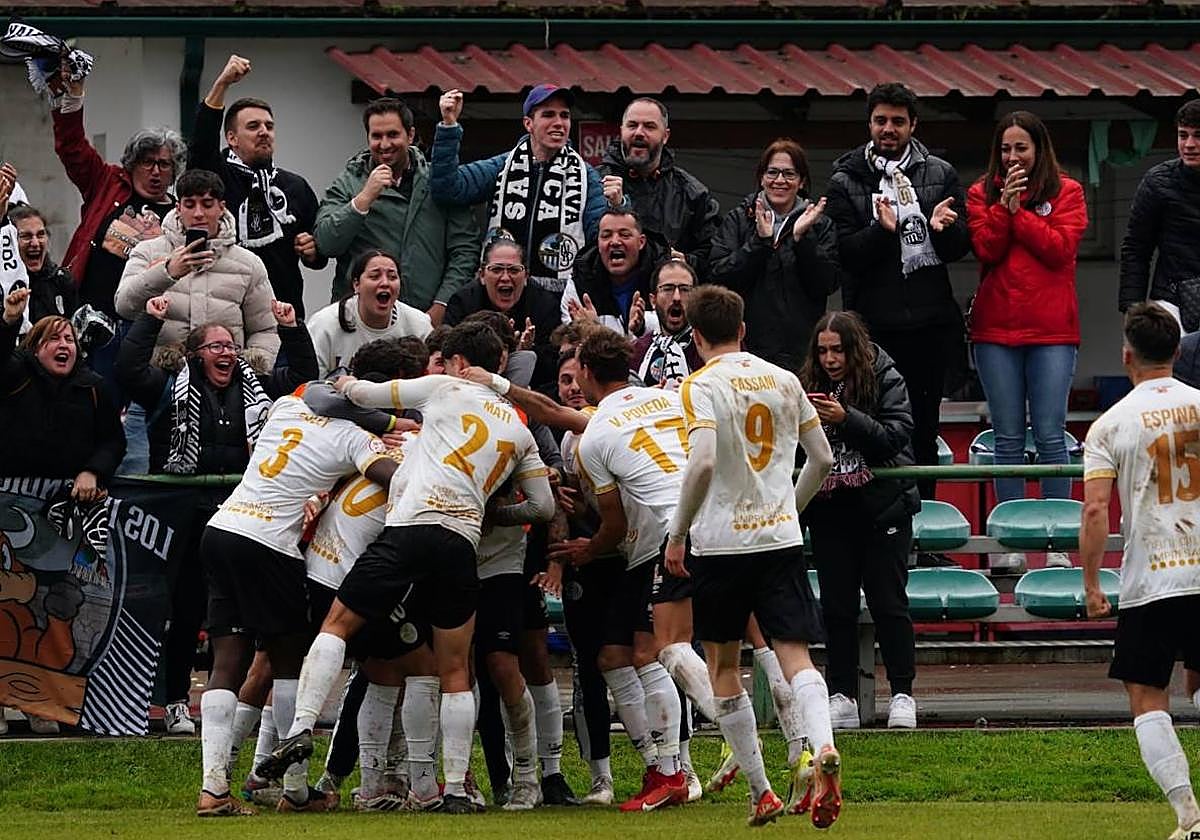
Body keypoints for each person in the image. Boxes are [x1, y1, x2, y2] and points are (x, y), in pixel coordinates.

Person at [262, 322, 555, 815]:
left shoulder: (444, 388)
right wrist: (491, 512)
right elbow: (543, 507)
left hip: (408, 529)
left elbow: (364, 394)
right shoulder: (519, 429)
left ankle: (302, 728)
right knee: (454, 670)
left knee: (336, 626)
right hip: (461, 541)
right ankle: (454, 788)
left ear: (459, 363)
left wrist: (345, 384)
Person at [470, 329, 718, 811]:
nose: (570, 385)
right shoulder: (664, 398)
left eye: (574, 373)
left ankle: (683, 765)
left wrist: (587, 549)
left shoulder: (598, 429)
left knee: (654, 654)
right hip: (669, 539)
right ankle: (659, 765)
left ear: (586, 372)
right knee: (612, 657)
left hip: (664, 540)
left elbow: (613, 520)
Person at [664, 284, 838, 828]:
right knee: (797, 659)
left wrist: (677, 533)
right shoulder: (785, 380)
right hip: (779, 540)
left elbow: (702, 463)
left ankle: (762, 792)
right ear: (743, 330)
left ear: (696, 336)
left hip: (721, 545)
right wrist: (790, 508)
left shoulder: (699, 385)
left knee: (722, 666)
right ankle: (822, 745)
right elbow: (823, 459)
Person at [193, 381, 400, 816]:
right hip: (271, 546)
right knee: (289, 668)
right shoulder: (355, 439)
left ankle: (213, 789)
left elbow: (312, 412)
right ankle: (295, 790)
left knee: (227, 662)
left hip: (222, 528)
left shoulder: (287, 407)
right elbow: (393, 478)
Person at [115, 295, 316, 735]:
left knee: (241, 613)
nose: (227, 353)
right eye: (216, 346)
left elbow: (303, 377)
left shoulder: (257, 388)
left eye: (231, 346)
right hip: (183, 515)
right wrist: (150, 321)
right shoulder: (169, 386)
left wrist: (292, 329)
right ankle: (174, 700)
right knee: (185, 609)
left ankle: (240, 703)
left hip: (242, 516)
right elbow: (129, 370)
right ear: (195, 354)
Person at [1081, 302, 1200, 840]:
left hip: (1152, 577)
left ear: (1126, 355)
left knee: (1147, 695)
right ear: (1177, 350)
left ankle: (1188, 815)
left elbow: (1095, 510)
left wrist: (1090, 583)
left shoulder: (1110, 424)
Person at [824, 82, 970, 498]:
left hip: (928, 326)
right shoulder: (845, 179)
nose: (888, 129)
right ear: (869, 124)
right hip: (870, 331)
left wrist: (941, 230)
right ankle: (878, 521)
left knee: (923, 431)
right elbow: (844, 254)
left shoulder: (940, 174)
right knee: (869, 429)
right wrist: (881, 231)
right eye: (881, 121)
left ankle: (924, 523)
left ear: (913, 125)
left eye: (898, 122)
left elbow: (960, 247)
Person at [967, 111, 1088, 572]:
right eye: (1005, 148)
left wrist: (1020, 214)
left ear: (1039, 149)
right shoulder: (981, 192)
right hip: (995, 330)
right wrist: (1003, 208)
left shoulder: (1068, 191)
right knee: (1008, 438)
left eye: (1021, 147)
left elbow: (1060, 250)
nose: (1012, 156)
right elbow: (986, 248)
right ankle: (1011, 542)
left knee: (1052, 433)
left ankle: (1057, 541)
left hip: (1052, 330)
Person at [798, 311, 920, 731]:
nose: (830, 359)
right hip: (830, 508)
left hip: (883, 505)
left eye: (838, 350)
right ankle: (842, 695)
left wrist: (846, 419)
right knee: (837, 608)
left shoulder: (885, 375)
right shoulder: (806, 383)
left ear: (855, 348)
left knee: (889, 604)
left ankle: (902, 694)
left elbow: (896, 436)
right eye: (823, 351)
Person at [430, 85, 608, 295]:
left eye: (565, 115)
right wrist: (449, 126)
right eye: (548, 115)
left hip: (560, 299)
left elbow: (601, 234)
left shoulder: (586, 176)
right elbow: (448, 188)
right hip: (502, 293)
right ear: (528, 123)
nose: (559, 123)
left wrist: (618, 205)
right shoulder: (502, 166)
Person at [188, 54, 326, 317]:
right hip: (226, 313)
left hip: (283, 313)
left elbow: (319, 255)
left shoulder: (294, 186)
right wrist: (222, 84)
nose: (264, 131)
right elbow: (201, 142)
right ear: (232, 138)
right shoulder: (216, 177)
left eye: (269, 126)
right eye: (253, 126)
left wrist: (312, 251)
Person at [316, 97, 478, 319]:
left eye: (392, 135)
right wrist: (364, 199)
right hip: (360, 320)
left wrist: (442, 305)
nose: (384, 144)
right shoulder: (349, 182)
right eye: (376, 136)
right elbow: (326, 243)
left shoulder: (438, 181)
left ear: (410, 135)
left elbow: (465, 250)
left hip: (426, 318)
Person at [52, 70, 186, 322]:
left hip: (142, 323)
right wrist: (73, 96)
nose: (155, 171)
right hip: (83, 312)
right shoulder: (107, 183)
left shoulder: (180, 214)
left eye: (164, 164)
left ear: (174, 171)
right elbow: (72, 147)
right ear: (133, 164)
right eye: (147, 162)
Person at [115, 169, 279, 373]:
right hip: (161, 379)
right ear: (178, 208)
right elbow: (124, 306)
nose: (198, 213)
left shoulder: (249, 263)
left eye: (207, 204)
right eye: (190, 205)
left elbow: (265, 329)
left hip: (226, 381)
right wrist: (167, 272)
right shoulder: (148, 251)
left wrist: (248, 373)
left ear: (222, 208)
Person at [709, 139, 840, 373]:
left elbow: (827, 283)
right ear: (761, 178)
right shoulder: (739, 220)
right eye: (772, 172)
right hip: (748, 350)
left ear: (802, 181)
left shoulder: (820, 225)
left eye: (789, 174)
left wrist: (803, 239)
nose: (780, 180)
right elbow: (720, 276)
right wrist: (759, 243)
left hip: (802, 353)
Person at [0, 287, 125, 493]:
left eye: (69, 339)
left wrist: (93, 471)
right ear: (35, 348)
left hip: (68, 498)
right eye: (54, 338)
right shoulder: (16, 375)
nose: (63, 345)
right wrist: (8, 321)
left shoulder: (93, 387)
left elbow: (113, 442)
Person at [597, 98, 720, 278]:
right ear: (621, 130)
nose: (639, 133)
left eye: (649, 126)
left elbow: (714, 253)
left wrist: (687, 261)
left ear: (665, 136)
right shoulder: (594, 183)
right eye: (632, 125)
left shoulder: (692, 193)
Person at [1120, 101, 1200, 331]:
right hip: (1172, 301)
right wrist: (1133, 312)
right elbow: (1136, 249)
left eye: (1198, 136)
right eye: (1183, 135)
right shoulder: (1158, 182)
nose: (1189, 144)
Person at [444, 237, 561, 387]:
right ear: (482, 275)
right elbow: (448, 353)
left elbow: (554, 365)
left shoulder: (545, 304)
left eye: (514, 270)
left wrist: (526, 350)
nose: (505, 277)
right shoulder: (463, 302)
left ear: (526, 276)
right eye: (496, 270)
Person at [306, 249, 432, 377]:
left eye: (392, 277)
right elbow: (311, 382)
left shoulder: (419, 325)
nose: (385, 283)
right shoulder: (324, 324)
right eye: (375, 276)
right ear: (356, 284)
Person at [561, 209, 671, 338]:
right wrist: (593, 332)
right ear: (598, 243)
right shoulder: (580, 280)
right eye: (606, 236)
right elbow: (571, 342)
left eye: (624, 235)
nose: (615, 242)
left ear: (641, 242)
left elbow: (678, 330)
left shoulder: (669, 277)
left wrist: (642, 328)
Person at [631, 259, 703, 387]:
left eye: (685, 290)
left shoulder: (711, 346)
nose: (677, 297)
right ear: (653, 300)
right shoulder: (636, 352)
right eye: (668, 289)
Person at [9, 205, 78, 324]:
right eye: (26, 236)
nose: (35, 243)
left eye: (40, 234)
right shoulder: (5, 284)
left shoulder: (62, 281)